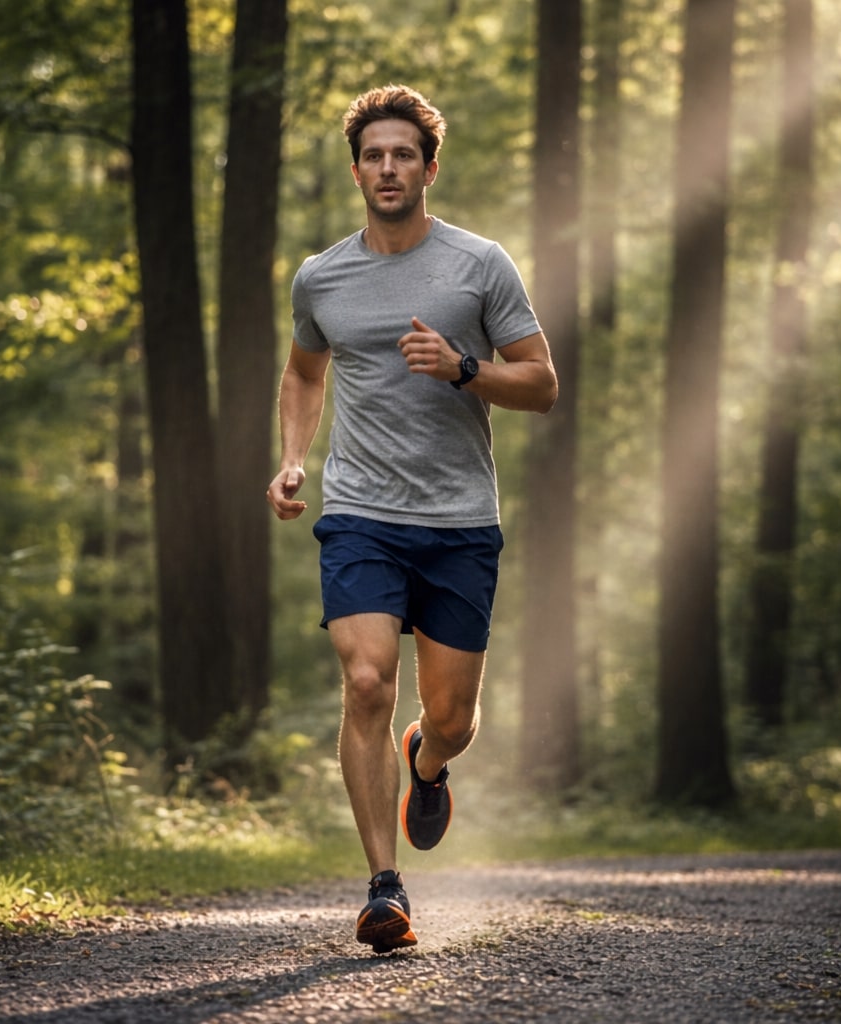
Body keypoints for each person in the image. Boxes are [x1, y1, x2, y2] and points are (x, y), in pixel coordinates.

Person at [265, 84, 557, 954]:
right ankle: (384, 888)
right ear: (356, 170)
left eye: (403, 154)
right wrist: (292, 458)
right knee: (365, 681)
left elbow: (542, 384)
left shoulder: (480, 265)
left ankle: (426, 761)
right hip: (361, 512)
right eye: (374, 155)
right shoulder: (321, 277)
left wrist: (465, 369)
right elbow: (304, 373)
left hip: (460, 520)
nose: (388, 167)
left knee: (454, 718)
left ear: (429, 169)